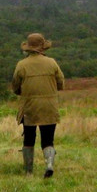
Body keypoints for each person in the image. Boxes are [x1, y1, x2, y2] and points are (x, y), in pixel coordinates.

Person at [11, 32, 64, 177]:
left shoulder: (22, 65)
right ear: (43, 48)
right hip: (49, 107)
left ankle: (29, 171)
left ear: (28, 48)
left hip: (29, 107)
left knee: (29, 139)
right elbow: (61, 83)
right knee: (48, 139)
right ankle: (49, 164)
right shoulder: (52, 63)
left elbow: (15, 87)